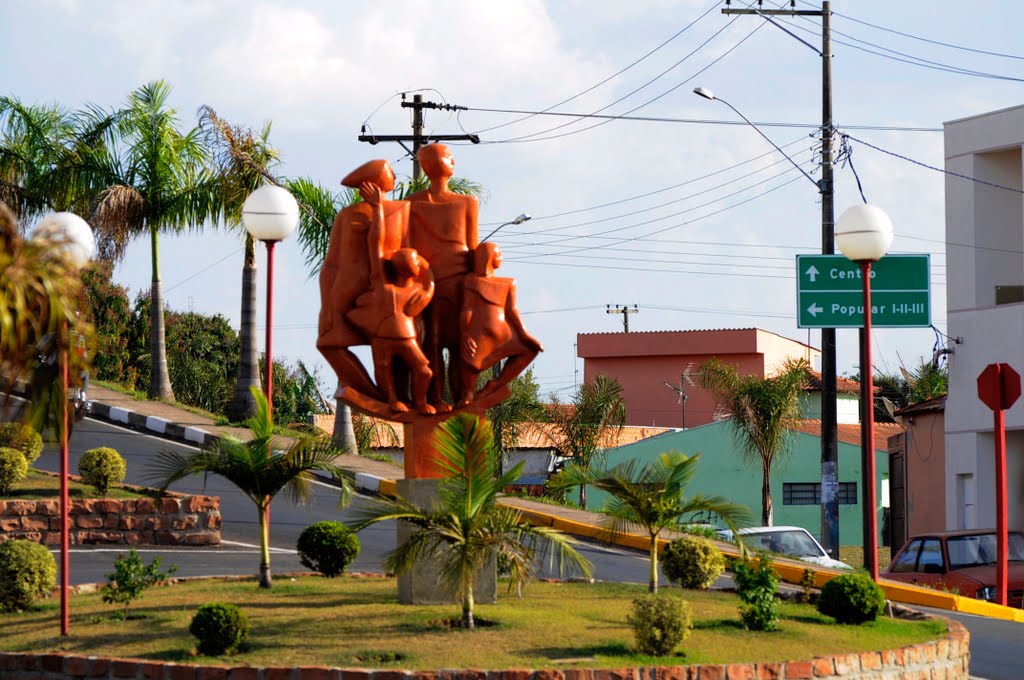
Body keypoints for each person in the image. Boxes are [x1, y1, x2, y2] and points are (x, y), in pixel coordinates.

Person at [317, 159, 407, 401]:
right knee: (328, 343)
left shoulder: (401, 211)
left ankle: (398, 397)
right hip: (345, 289)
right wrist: (327, 303)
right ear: (373, 180)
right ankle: (374, 394)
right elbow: (332, 263)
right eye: (389, 172)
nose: (395, 176)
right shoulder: (347, 215)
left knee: (393, 345)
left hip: (386, 290)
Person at [347, 181, 435, 415]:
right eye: (415, 260)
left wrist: (430, 287)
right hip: (382, 337)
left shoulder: (417, 290)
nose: (418, 263)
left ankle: (419, 402)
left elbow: (428, 277)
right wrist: (377, 210)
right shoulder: (382, 283)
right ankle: (393, 399)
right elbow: (375, 245)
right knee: (384, 368)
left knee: (424, 370)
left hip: (407, 337)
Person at [407, 143, 479, 410]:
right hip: (427, 284)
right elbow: (408, 243)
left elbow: (472, 248)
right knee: (431, 343)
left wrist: (476, 289)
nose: (452, 161)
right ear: (426, 166)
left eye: (450, 157)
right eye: (447, 156)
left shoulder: (467, 203)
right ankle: (434, 397)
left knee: (460, 345)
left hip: (460, 284)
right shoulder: (412, 203)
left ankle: (462, 398)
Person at [457, 242, 542, 407]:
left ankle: (496, 384)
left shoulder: (508, 283)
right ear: (487, 258)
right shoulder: (471, 281)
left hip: (505, 335)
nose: (501, 257)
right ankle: (468, 393)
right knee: (470, 361)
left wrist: (524, 335)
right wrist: (465, 334)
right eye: (498, 253)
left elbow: (512, 311)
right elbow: (467, 309)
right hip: (481, 335)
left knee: (530, 350)